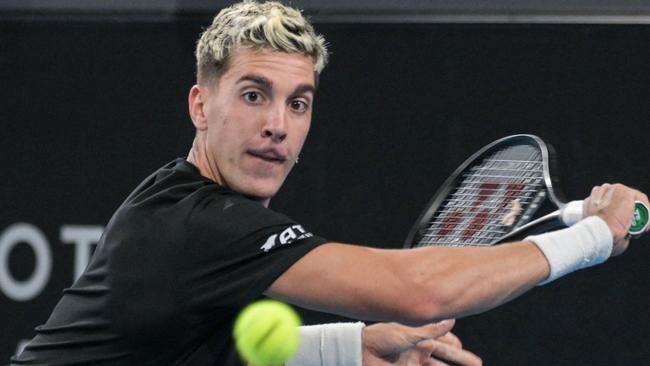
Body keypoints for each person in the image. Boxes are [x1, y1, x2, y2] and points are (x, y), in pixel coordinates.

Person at [11, 1, 648, 365]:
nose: (276, 126)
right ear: (200, 106)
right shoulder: (203, 224)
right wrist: (594, 236)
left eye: (298, 103)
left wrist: (355, 347)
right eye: (254, 95)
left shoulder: (177, 202)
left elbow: (199, 348)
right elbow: (421, 291)